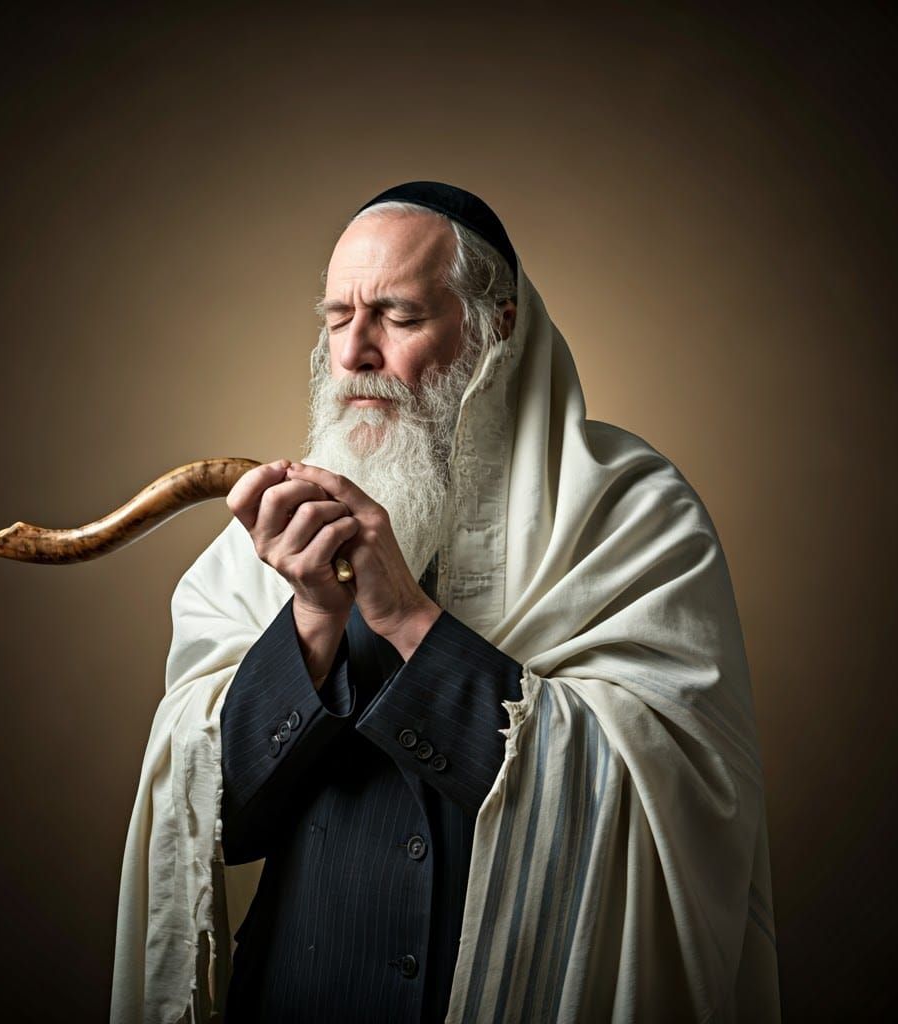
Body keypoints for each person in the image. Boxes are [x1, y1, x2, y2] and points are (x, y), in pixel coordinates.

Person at [110, 182, 781, 1023]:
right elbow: (212, 829)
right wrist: (312, 623)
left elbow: (678, 815)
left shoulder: (630, 513)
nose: (353, 352)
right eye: (336, 316)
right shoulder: (258, 555)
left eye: (395, 315)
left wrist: (405, 620)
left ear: (496, 329)